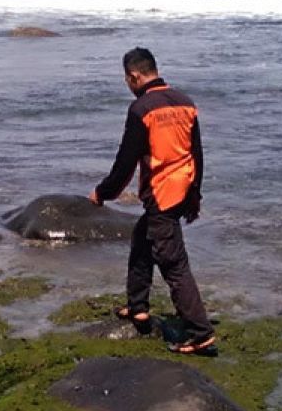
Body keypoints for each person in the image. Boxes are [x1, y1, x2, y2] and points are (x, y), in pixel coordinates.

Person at [88, 47, 217, 356]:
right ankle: (138, 306)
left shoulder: (141, 109)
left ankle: (200, 333)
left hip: (162, 192)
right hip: (183, 188)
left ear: (134, 76)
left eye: (127, 80)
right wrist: (195, 195)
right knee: (142, 241)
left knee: (174, 264)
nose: (128, 85)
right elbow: (196, 153)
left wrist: (103, 193)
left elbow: (126, 162)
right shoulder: (185, 102)